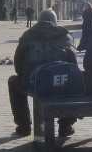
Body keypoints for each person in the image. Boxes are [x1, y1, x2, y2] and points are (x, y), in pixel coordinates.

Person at [8, 8, 77, 137]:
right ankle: (65, 125)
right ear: (55, 22)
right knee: (72, 83)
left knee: (13, 82)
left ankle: (24, 125)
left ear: (38, 21)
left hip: (33, 85)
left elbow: (18, 67)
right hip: (60, 83)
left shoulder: (27, 36)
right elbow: (73, 67)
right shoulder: (65, 36)